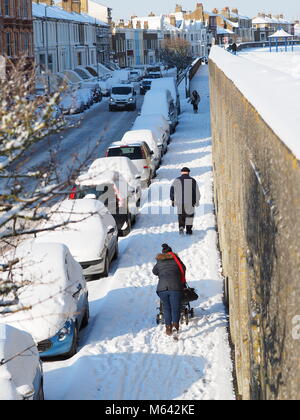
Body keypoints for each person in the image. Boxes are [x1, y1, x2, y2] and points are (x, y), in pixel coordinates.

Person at [153, 244, 187, 336]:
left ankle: (168, 327)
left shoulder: (159, 261)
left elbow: (154, 271)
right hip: (175, 288)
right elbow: (183, 269)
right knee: (175, 308)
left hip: (162, 289)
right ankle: (175, 326)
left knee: (166, 308)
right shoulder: (176, 260)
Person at [170, 167, 200, 235]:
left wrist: (172, 200)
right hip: (190, 202)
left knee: (181, 215)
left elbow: (172, 191)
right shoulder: (192, 180)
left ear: (181, 172)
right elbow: (196, 192)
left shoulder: (177, 180)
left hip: (180, 202)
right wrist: (196, 201)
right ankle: (189, 230)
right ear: (188, 172)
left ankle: (181, 228)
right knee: (189, 216)